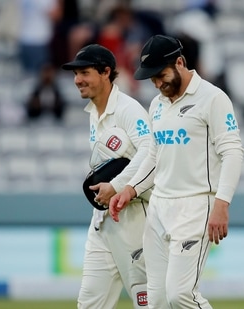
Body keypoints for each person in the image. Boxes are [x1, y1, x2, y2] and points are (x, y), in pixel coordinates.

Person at [109, 35, 244, 309]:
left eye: (161, 75)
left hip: (195, 207)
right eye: (152, 79)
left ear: (180, 62)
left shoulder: (213, 98)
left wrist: (222, 203)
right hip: (159, 208)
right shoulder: (158, 105)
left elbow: (232, 152)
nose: (158, 84)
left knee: (180, 295)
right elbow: (154, 156)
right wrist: (130, 188)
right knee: (156, 301)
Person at [61, 44, 152, 309]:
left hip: (135, 221)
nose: (77, 80)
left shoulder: (129, 110)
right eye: (76, 74)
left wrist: (117, 185)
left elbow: (150, 154)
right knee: (89, 304)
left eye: (85, 73)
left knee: (147, 303)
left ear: (106, 72)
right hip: (103, 223)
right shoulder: (93, 113)